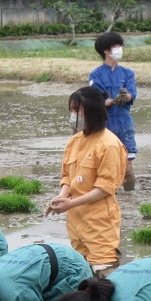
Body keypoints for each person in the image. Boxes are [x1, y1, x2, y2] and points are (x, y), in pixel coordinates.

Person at [46, 86, 127, 275]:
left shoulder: (109, 145)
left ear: (92, 111)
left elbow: (105, 188)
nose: (73, 115)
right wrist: (61, 197)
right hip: (76, 223)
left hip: (99, 224)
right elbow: (68, 177)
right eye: (72, 110)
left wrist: (71, 203)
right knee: (81, 277)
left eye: (77, 110)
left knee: (104, 277)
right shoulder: (74, 141)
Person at [89, 32, 136, 191]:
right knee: (108, 165)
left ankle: (130, 195)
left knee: (127, 166)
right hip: (106, 125)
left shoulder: (128, 73)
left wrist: (126, 96)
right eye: (117, 46)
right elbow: (96, 99)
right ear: (106, 50)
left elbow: (132, 94)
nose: (120, 49)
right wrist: (110, 101)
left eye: (120, 45)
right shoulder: (96, 75)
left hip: (124, 124)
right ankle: (109, 193)